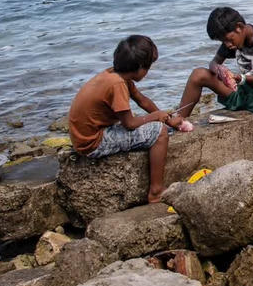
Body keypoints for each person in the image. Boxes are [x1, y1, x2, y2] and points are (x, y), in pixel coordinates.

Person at [68, 35, 180, 203]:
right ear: (140, 67)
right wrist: (157, 118)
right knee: (160, 132)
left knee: (159, 124)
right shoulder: (117, 84)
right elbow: (129, 124)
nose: (148, 73)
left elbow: (142, 100)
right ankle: (156, 191)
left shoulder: (115, 74)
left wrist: (167, 119)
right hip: (93, 143)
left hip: (85, 136)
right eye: (148, 67)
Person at [174, 7, 253, 165]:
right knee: (198, 74)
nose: (228, 45)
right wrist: (219, 70)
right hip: (243, 93)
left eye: (229, 40)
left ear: (239, 27)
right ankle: (178, 121)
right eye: (223, 41)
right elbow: (214, 62)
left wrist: (243, 78)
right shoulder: (232, 41)